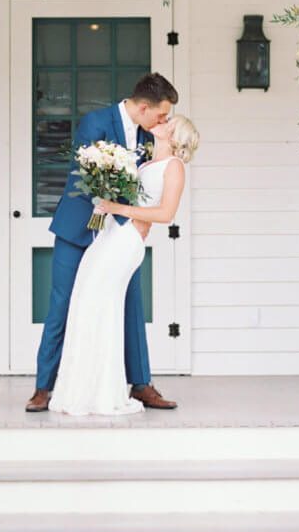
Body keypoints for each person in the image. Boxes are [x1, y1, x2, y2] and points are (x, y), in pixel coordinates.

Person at [26, 72, 179, 412]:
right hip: (78, 228)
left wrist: (129, 218)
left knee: (130, 304)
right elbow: (82, 174)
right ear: (143, 106)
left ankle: (140, 384)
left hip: (120, 235)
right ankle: (43, 387)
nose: (163, 121)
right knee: (62, 304)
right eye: (161, 115)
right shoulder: (96, 121)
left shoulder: (149, 135)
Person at [48, 114, 200, 415]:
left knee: (103, 309)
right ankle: (80, 390)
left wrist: (116, 207)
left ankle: (103, 393)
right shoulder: (144, 163)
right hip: (108, 236)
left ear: (173, 134)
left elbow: (165, 214)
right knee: (87, 304)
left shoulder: (174, 168)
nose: (162, 119)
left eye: (168, 120)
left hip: (126, 241)